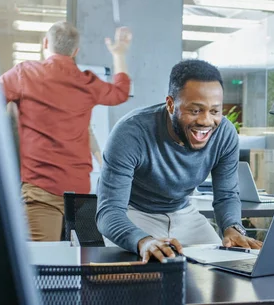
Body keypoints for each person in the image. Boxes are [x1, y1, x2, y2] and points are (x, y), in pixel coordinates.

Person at [96, 59, 262, 263]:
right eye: (195, 110)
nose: (206, 121)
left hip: (184, 212)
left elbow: (226, 194)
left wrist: (232, 227)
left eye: (215, 111)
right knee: (149, 273)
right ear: (170, 104)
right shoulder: (130, 133)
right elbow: (109, 212)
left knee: (227, 264)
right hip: (136, 214)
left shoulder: (225, 134)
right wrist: (143, 241)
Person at [0, 22, 132, 241]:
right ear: (75, 51)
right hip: (79, 194)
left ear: (45, 43)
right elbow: (121, 92)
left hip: (41, 190)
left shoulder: (25, 74)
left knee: (43, 266)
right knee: (81, 263)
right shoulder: (86, 82)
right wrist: (119, 54)